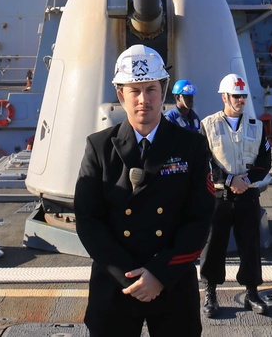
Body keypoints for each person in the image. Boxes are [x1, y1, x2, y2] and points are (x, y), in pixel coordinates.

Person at [74, 45, 214, 337]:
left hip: (172, 284)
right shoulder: (99, 147)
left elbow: (200, 218)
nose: (143, 99)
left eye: (151, 88)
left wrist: (159, 275)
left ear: (163, 90)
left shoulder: (192, 146)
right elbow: (88, 219)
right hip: (116, 286)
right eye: (134, 90)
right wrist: (131, 279)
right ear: (120, 93)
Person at [199, 73, 272, 318]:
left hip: (247, 196)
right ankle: (210, 293)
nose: (241, 100)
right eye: (236, 96)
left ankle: (252, 292)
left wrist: (247, 181)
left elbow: (265, 159)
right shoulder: (208, 125)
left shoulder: (256, 126)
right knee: (213, 245)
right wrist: (230, 180)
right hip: (219, 197)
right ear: (224, 97)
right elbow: (204, 159)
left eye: (243, 96)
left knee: (250, 245)